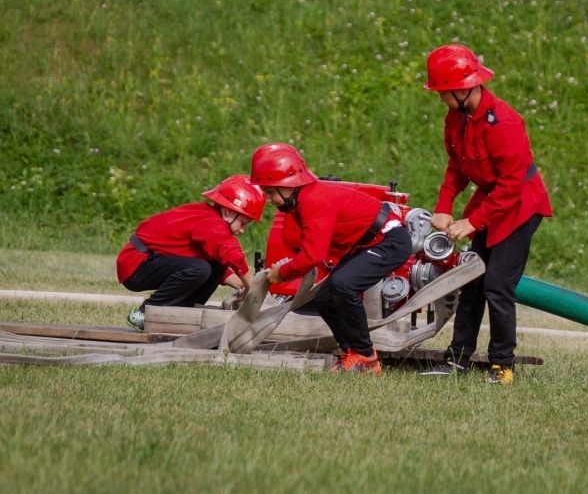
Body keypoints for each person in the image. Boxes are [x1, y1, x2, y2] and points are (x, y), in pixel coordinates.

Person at [418, 44, 552, 384]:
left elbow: (510, 185)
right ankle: (458, 359)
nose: (440, 100)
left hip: (520, 205)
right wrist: (444, 207)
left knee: (497, 285)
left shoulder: (504, 121)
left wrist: (473, 222)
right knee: (472, 283)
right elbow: (457, 167)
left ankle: (502, 365)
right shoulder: (456, 117)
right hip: (492, 201)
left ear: (462, 90)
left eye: (442, 93)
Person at [250, 142, 412, 376]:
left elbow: (312, 256)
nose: (269, 199)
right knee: (325, 297)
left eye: (270, 192)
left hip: (390, 240)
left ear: (288, 186)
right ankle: (351, 353)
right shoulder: (301, 201)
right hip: (368, 242)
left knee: (344, 285)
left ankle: (366, 357)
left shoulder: (312, 200)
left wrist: (282, 273)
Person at [117, 174, 265, 331]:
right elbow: (231, 252)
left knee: (212, 265)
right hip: (136, 264)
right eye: (242, 223)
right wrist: (252, 289)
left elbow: (214, 259)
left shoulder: (210, 220)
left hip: (152, 261)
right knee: (200, 269)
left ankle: (182, 316)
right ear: (228, 211)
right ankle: (144, 313)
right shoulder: (211, 222)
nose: (242, 230)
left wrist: (240, 285)